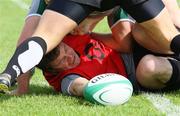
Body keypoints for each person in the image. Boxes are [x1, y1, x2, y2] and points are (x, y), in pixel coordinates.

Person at [1, 0, 180, 93]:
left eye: (65, 52)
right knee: (149, 62)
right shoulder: (63, 77)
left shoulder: (70, 37)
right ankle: (8, 75)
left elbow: (124, 41)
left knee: (164, 28)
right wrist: (22, 87)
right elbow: (79, 87)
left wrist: (90, 27)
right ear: (54, 71)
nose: (69, 57)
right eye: (63, 61)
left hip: (137, 48)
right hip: (142, 68)